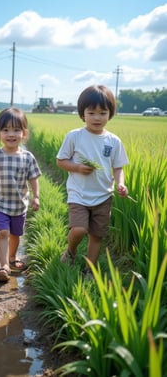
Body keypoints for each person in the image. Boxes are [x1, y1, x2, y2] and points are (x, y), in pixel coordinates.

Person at [56, 85, 129, 278]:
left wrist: (121, 183)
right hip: (79, 193)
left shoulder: (114, 141)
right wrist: (78, 168)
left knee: (97, 236)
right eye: (91, 112)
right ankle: (71, 251)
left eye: (103, 112)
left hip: (104, 195)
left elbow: (118, 167)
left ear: (110, 114)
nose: (97, 118)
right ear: (82, 114)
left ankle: (89, 270)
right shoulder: (74, 136)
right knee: (79, 229)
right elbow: (61, 161)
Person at [0, 107, 41, 282]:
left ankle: (12, 257)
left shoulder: (28, 157)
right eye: (5, 130)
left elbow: (33, 178)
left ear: (24, 133)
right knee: (4, 233)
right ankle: (3, 266)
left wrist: (36, 196)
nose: (11, 134)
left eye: (16, 130)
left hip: (19, 204)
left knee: (16, 234)